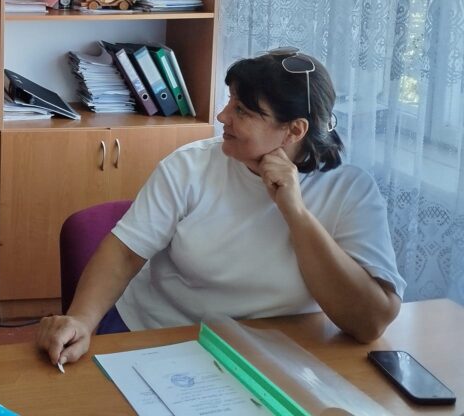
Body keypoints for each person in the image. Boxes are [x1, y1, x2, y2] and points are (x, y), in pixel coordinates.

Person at [38, 48, 405, 368]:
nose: (222, 116)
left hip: (277, 355)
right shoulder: (191, 166)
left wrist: (295, 212)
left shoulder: (351, 191)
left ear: (295, 130)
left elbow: (371, 322)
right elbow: (124, 253)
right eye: (230, 101)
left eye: (242, 110)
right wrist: (82, 319)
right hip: (162, 335)